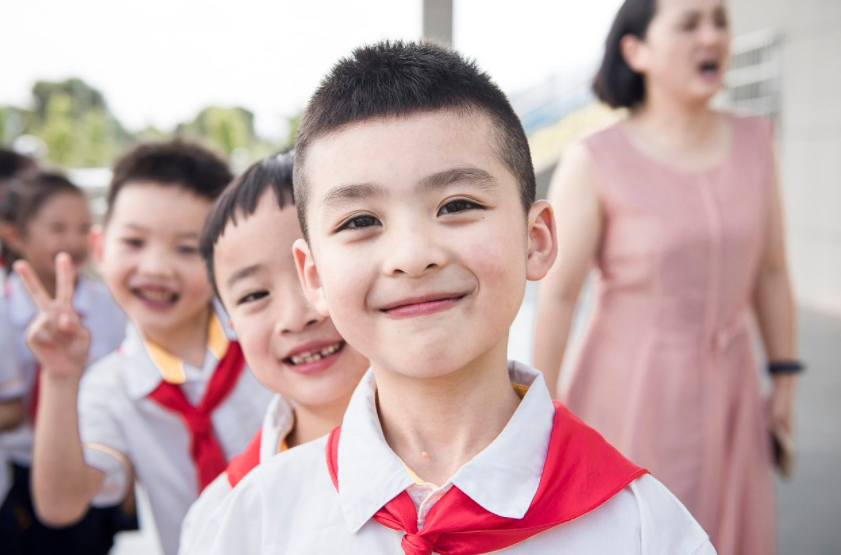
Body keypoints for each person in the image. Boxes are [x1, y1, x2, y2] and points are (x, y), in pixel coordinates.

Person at [187, 40, 715, 555]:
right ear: (315, 277)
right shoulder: (255, 521)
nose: (413, 256)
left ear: (536, 240)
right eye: (361, 220)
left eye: (457, 204)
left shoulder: (644, 528)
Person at [532, 0, 799, 553]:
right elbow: (557, 296)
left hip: (733, 388)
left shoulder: (756, 142)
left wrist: (785, 380)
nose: (712, 36)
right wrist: (538, 417)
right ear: (637, 50)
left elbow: (771, 273)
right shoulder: (595, 158)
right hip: (629, 392)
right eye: (689, 23)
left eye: (719, 21)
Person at [17, 141, 273, 555]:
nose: (155, 268)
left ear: (225, 258)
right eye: (134, 242)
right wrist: (60, 378)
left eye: (188, 248)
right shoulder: (110, 386)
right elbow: (61, 505)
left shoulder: (270, 337)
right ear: (99, 249)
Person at [177, 150, 369, 553]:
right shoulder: (223, 514)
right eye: (254, 295)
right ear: (228, 320)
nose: (296, 317)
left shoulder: (488, 437)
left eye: (318, 273)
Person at [0, 172, 129, 554]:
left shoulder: (108, 304)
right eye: (57, 228)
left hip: (89, 461)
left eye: (83, 228)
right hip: (21, 469)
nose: (72, 242)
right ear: (14, 236)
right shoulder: (4, 309)